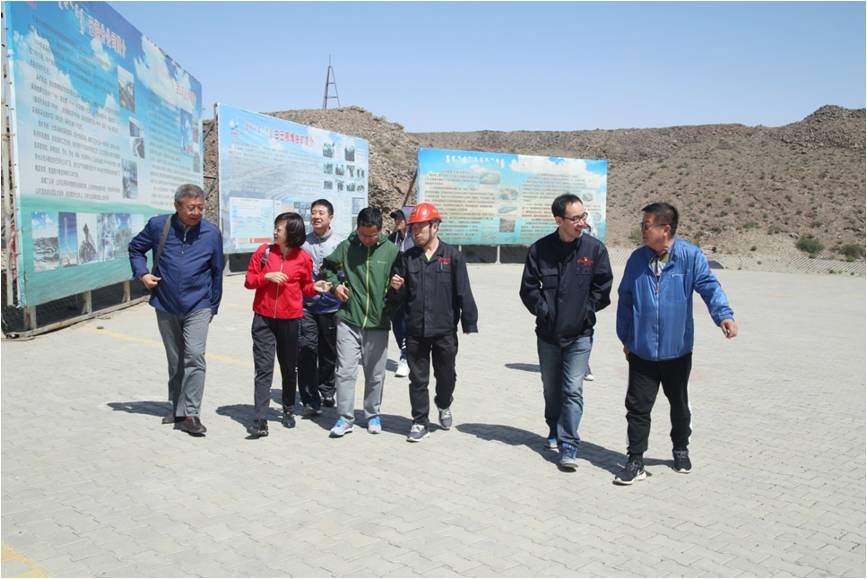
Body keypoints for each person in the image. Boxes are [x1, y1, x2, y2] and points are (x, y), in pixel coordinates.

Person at [614, 202, 738, 485]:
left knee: (678, 404)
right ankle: (635, 460)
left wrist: (723, 315)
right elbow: (625, 298)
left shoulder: (689, 256)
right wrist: (627, 338)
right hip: (642, 350)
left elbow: (709, 286)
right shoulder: (637, 259)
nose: (642, 230)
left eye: (647, 225)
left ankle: (680, 448)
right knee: (637, 407)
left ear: (665, 229)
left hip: (677, 350)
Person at [519, 194, 612, 471]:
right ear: (559, 220)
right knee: (552, 390)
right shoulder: (540, 250)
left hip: (580, 334)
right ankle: (554, 428)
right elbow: (528, 288)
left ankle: (569, 445)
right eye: (576, 218)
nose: (582, 222)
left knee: (572, 390)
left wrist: (587, 311)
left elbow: (603, 287)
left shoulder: (594, 250)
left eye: (583, 216)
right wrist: (543, 309)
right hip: (548, 334)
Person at [128, 184, 224, 437]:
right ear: (177, 206)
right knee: (176, 359)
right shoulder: (159, 226)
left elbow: (217, 271)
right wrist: (142, 274)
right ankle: (177, 408)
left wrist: (213, 305)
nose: (197, 213)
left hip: (199, 304)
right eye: (191, 208)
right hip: (166, 303)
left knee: (194, 356)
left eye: (201, 208)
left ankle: (190, 414)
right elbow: (135, 248)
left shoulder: (211, 233)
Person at [389, 203, 478, 442]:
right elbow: (397, 298)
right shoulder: (407, 258)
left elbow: (463, 290)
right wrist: (396, 289)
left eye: (421, 227)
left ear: (435, 227)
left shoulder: (452, 256)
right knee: (418, 379)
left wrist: (469, 321)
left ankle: (444, 404)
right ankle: (420, 422)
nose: (415, 232)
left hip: (444, 330)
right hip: (416, 330)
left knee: (446, 376)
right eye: (413, 228)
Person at [244, 212, 332, 439]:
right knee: (263, 369)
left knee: (288, 367)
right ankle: (260, 419)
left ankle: (288, 408)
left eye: (280, 228)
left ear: (292, 233)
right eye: (275, 227)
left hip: (291, 319)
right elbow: (249, 281)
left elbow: (306, 286)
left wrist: (316, 288)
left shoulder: (303, 258)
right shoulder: (263, 252)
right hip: (263, 319)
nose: (275, 231)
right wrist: (266, 277)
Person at [320, 207, 400, 437]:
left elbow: (402, 283)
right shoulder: (347, 246)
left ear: (380, 230)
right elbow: (327, 267)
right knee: (344, 371)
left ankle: (373, 414)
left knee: (375, 374)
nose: (366, 239)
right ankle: (345, 418)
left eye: (371, 235)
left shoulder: (391, 251)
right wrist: (336, 287)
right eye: (363, 234)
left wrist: (394, 294)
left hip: (378, 323)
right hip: (348, 319)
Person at [298, 199, 344, 413]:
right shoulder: (303, 243)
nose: (316, 216)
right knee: (307, 350)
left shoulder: (340, 243)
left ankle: (327, 388)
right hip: (306, 306)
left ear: (330, 217)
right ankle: (309, 397)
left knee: (329, 352)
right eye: (314, 212)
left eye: (321, 213)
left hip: (331, 307)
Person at [387, 208, 414, 378]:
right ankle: (405, 352)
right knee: (396, 322)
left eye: (400, 218)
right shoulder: (392, 239)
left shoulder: (415, 240)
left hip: (411, 288)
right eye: (395, 218)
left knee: (408, 323)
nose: (397, 220)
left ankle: (405, 357)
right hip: (394, 288)